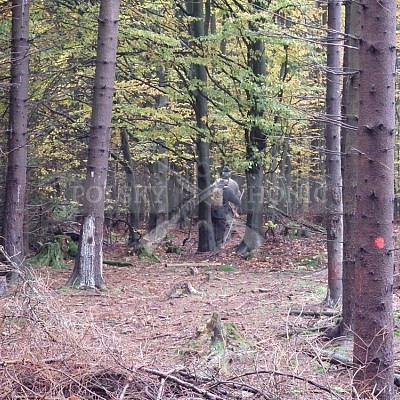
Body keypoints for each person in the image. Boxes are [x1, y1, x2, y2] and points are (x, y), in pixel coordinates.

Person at [211, 178, 241, 249]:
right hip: (221, 214)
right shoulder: (227, 191)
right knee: (221, 230)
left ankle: (213, 246)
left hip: (212, 213)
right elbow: (238, 202)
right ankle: (218, 247)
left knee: (214, 229)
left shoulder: (213, 189)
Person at [218, 166, 242, 240]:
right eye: (226, 172)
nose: (226, 174)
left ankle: (223, 239)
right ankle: (224, 240)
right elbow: (237, 198)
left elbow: (237, 195)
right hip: (222, 207)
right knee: (227, 224)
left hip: (225, 208)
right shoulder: (217, 182)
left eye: (227, 172)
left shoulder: (233, 183)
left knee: (225, 224)